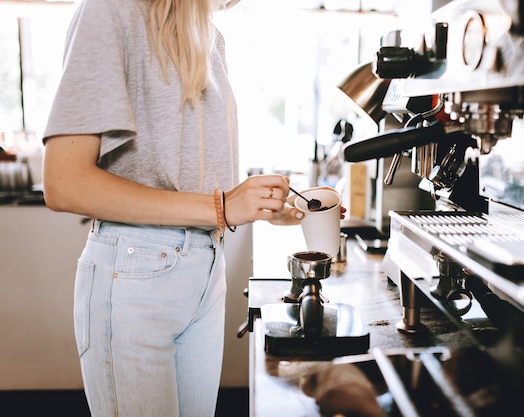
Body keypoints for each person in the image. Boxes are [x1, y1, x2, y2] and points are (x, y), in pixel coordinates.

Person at [41, 0, 339, 416]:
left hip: (204, 269)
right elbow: (63, 183)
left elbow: (181, 183)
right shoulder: (111, 10)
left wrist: (257, 205)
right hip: (135, 275)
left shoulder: (209, 36)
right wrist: (221, 207)